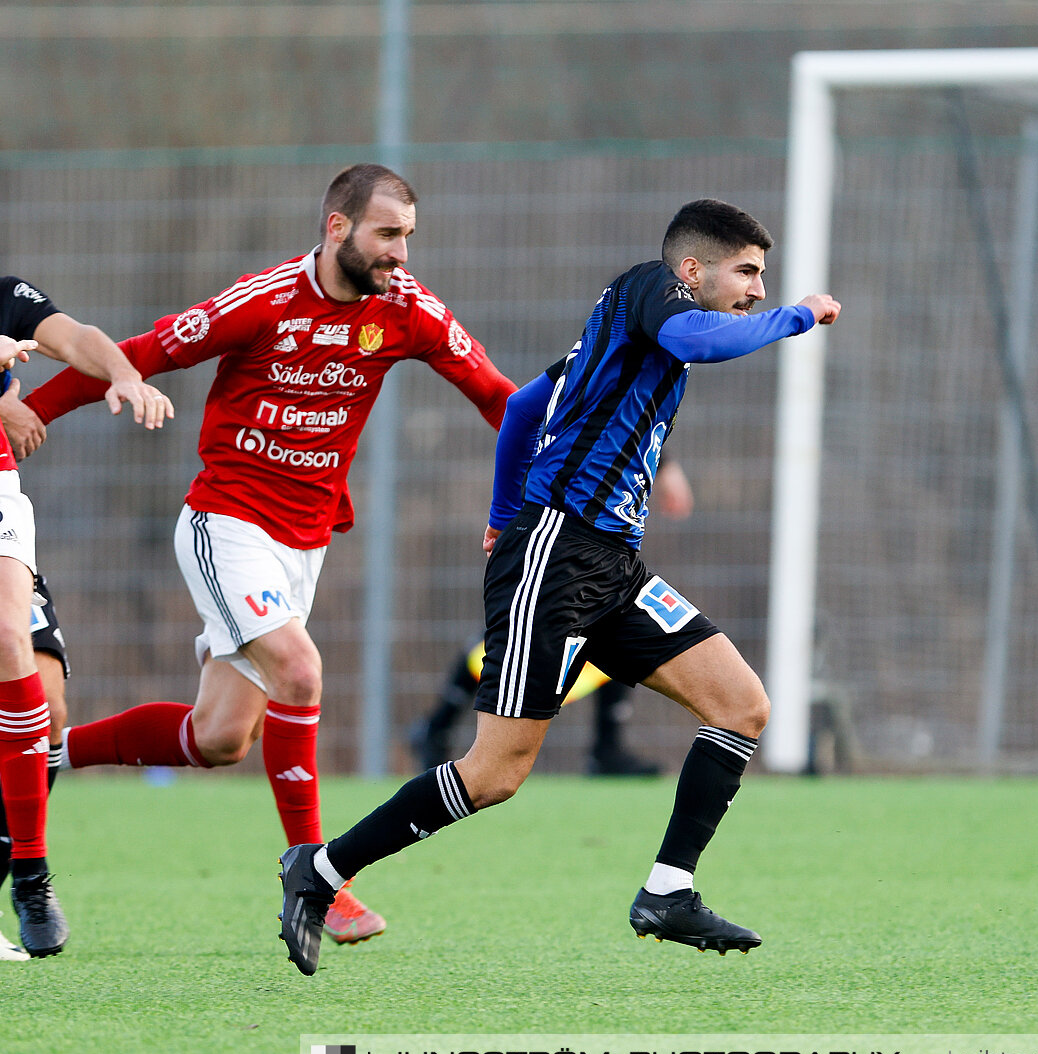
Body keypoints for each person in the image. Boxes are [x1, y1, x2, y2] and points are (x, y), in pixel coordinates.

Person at [275, 198, 840, 976]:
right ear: (691, 270)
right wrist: (798, 315)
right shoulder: (653, 293)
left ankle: (668, 891)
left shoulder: (630, 331)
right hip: (557, 551)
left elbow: (522, 408)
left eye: (762, 279)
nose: (754, 289)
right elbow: (702, 341)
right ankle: (321, 870)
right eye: (746, 272)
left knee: (741, 704)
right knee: (495, 772)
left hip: (611, 565)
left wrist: (502, 508)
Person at [21, 165, 518, 951]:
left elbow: (500, 398)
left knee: (219, 736)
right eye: (387, 235)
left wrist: (541, 485)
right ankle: (320, 877)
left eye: (409, 238)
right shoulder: (261, 301)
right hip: (227, 525)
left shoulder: (410, 312)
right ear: (336, 228)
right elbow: (139, 355)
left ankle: (41, 750)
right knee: (302, 671)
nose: (401, 255)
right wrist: (21, 412)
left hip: (304, 542)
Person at [0, 275, 171, 956]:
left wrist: (124, 375)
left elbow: (79, 339)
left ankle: (30, 873)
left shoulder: (7, 291)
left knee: (39, 687)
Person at [409, 462, 695, 775]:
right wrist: (502, 513)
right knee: (525, 623)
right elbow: (526, 415)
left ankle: (607, 747)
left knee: (607, 612)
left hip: (587, 508)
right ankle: (438, 729)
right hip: (554, 506)